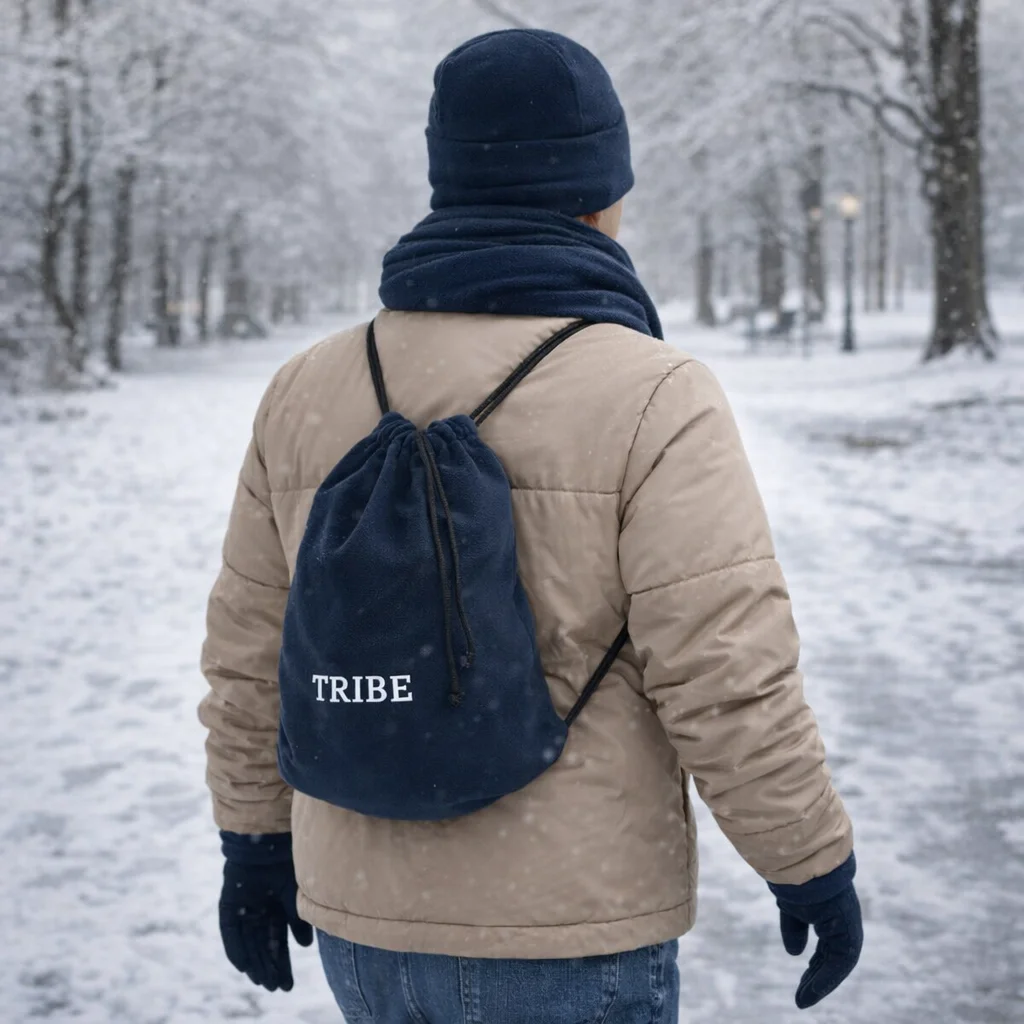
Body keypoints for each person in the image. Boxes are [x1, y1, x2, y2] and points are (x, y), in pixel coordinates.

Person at [199, 28, 862, 1023]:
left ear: (448, 179)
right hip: (570, 923)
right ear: (604, 189)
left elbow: (252, 656)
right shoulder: (654, 394)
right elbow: (724, 671)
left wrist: (252, 844)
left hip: (362, 920)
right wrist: (805, 859)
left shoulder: (307, 389)